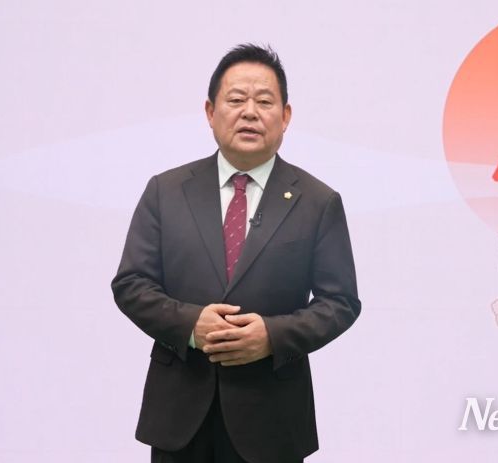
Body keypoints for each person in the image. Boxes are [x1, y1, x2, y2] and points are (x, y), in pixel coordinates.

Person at [111, 44, 361, 463]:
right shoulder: (165, 191)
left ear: (285, 116)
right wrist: (192, 325)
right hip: (179, 417)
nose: (249, 112)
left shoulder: (318, 201)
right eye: (236, 100)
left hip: (273, 419)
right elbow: (131, 284)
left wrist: (271, 336)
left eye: (264, 101)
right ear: (210, 112)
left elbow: (340, 303)